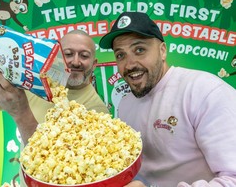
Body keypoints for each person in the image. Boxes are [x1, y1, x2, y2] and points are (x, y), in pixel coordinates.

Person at [99, 11, 236, 187]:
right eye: (120, 55)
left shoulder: (204, 91)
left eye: (139, 50)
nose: (130, 64)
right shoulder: (125, 104)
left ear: (162, 51)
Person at [0, 29, 109, 186]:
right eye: (68, 54)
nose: (75, 62)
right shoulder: (35, 83)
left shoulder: (97, 111)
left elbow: (65, 175)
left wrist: (21, 113)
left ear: (94, 64)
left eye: (84, 56)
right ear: (56, 56)